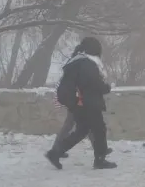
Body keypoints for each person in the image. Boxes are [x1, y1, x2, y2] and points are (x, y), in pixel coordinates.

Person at [45, 37, 116, 169]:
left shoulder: (75, 61)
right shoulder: (87, 63)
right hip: (89, 102)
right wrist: (106, 88)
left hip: (77, 102)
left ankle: (56, 152)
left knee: (82, 130)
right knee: (99, 129)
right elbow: (92, 83)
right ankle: (100, 160)